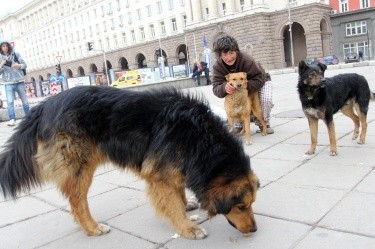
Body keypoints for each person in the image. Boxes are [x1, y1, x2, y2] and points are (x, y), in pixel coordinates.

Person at [211, 35, 274, 134]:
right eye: (225, 54)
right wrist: (224, 88)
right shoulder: (217, 67)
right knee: (234, 99)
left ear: (236, 51)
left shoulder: (247, 60)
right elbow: (216, 88)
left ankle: (263, 123)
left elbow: (259, 79)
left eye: (231, 53)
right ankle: (239, 124)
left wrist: (243, 85)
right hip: (239, 88)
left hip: (261, 81)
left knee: (266, 99)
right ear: (220, 55)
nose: (229, 57)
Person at [0, 41, 29, 126]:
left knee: (25, 101)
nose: (5, 48)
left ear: (9, 46)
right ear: (1, 48)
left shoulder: (16, 54)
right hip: (8, 83)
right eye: (3, 46)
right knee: (10, 102)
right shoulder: (0, 58)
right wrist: (1, 65)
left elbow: (25, 65)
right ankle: (12, 119)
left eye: (6, 46)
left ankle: (28, 118)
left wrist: (18, 65)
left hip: (19, 81)